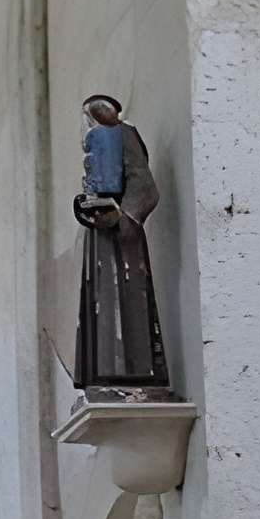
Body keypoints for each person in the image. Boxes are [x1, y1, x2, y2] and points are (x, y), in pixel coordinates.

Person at [72, 94, 168, 392]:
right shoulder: (96, 141)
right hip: (100, 232)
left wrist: (126, 216)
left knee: (126, 296)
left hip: (121, 233)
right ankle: (103, 370)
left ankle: (133, 371)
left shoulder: (124, 135)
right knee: (100, 298)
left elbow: (144, 184)